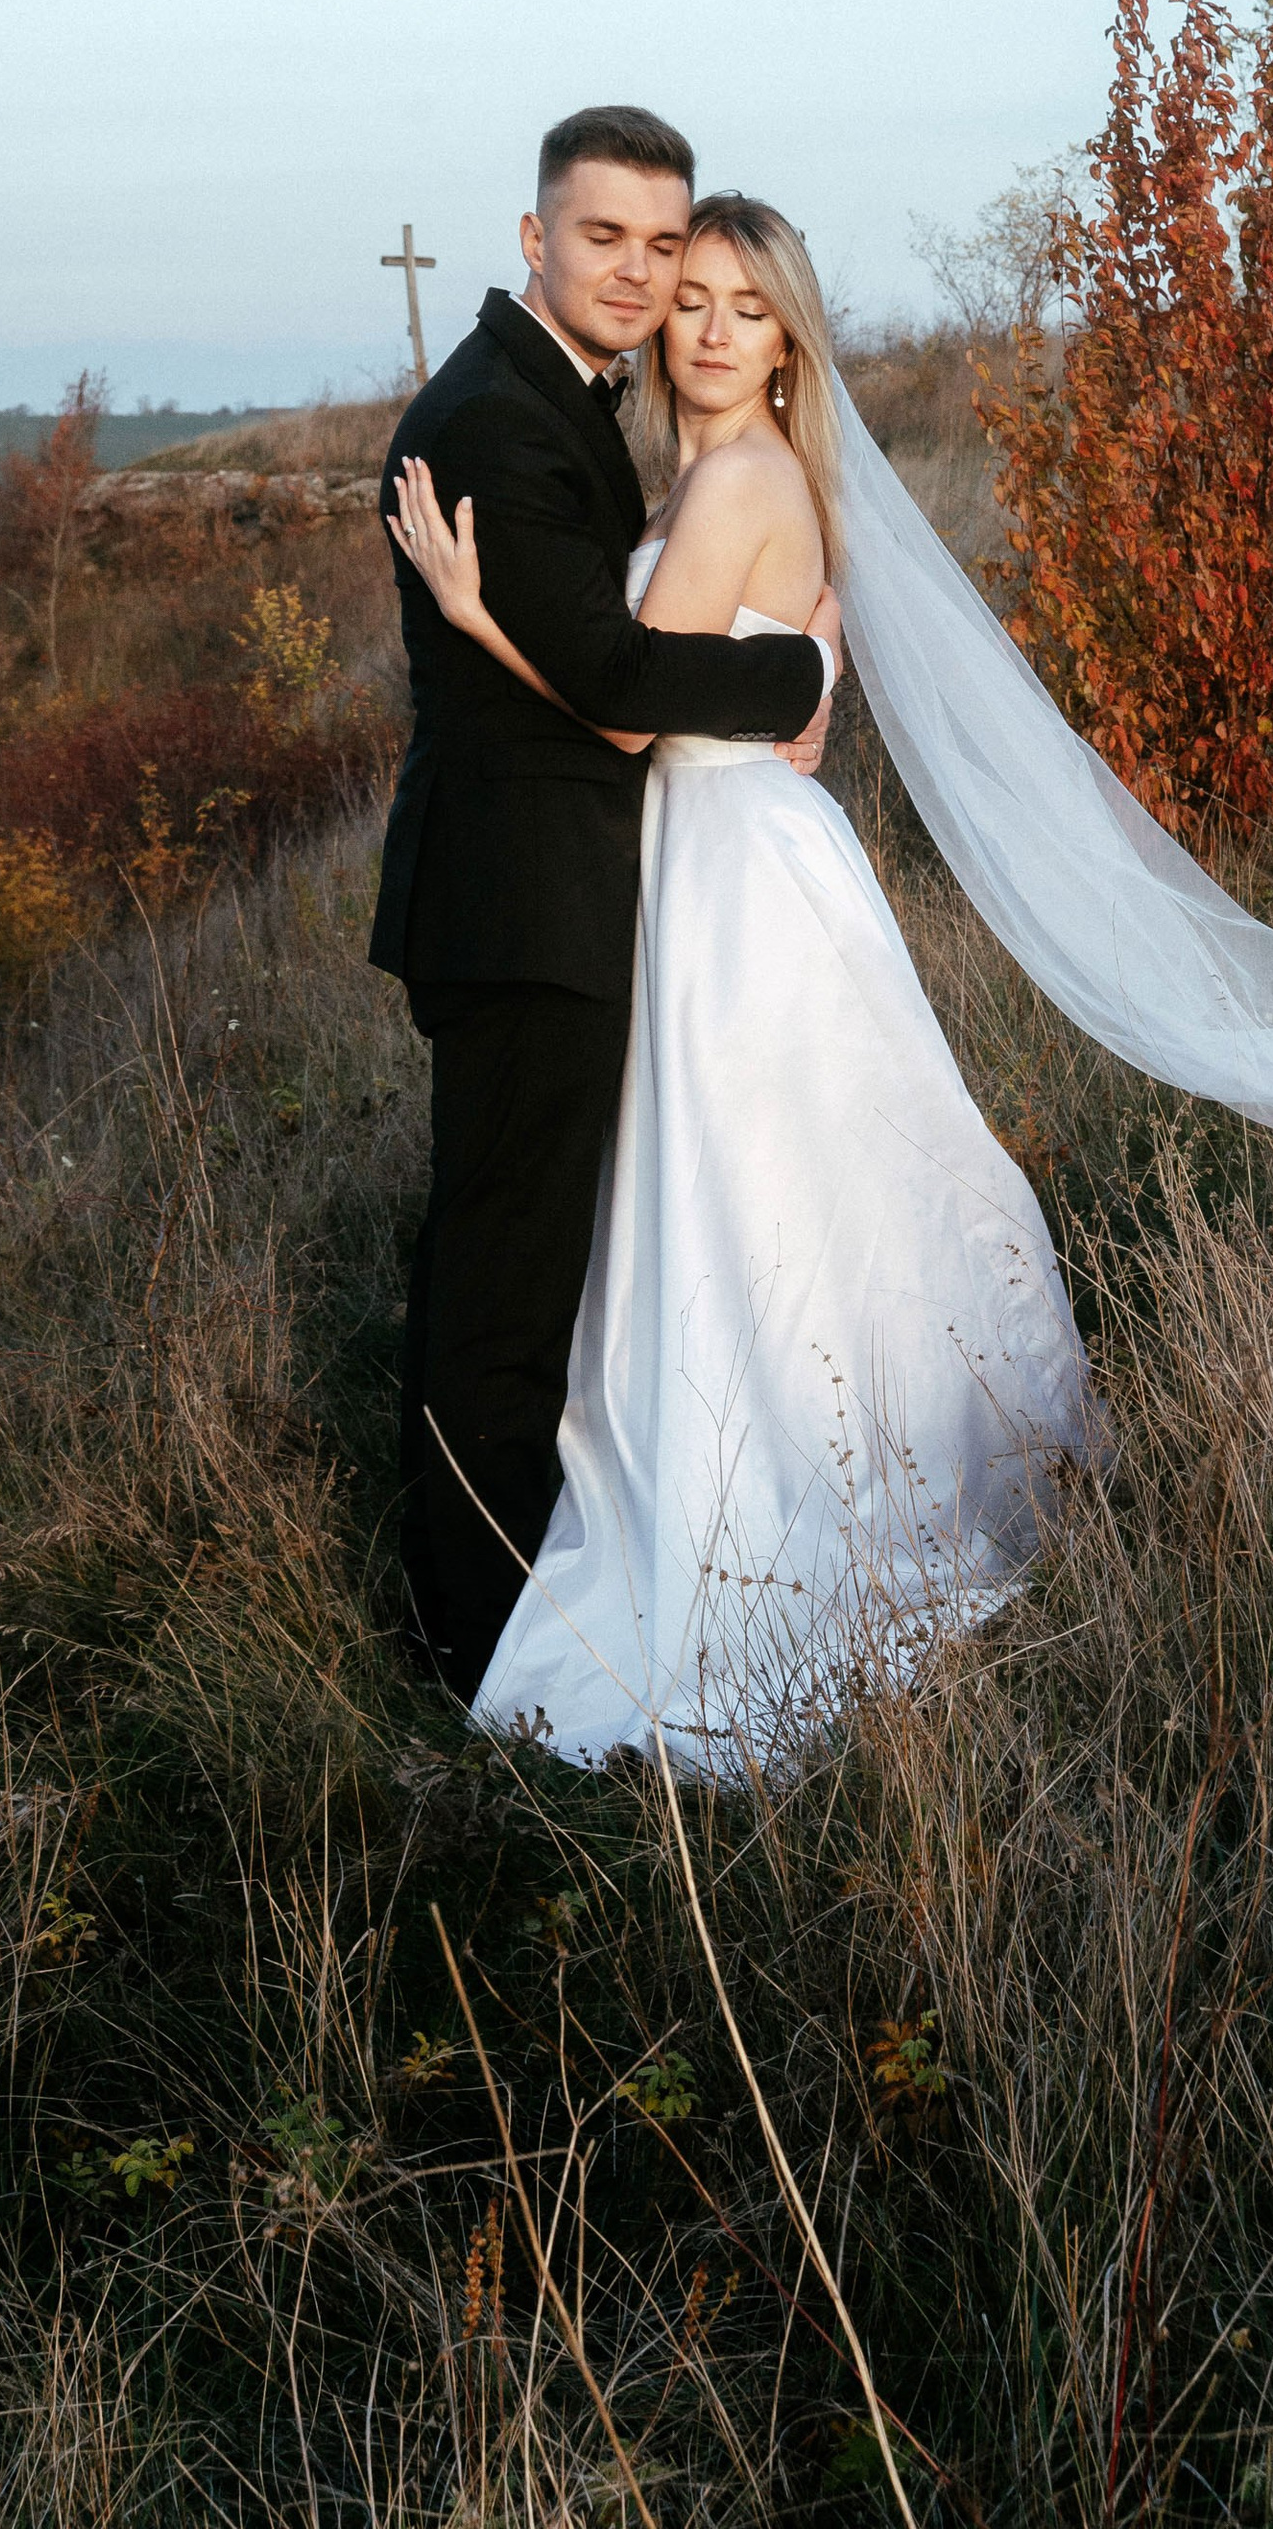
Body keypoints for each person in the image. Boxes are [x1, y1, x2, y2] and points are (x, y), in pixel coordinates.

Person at [388, 192, 1095, 1764]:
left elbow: (628, 708)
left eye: (741, 307)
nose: (703, 327)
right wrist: (805, 655)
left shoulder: (739, 482)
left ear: (789, 341)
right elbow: (710, 663)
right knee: (766, 1188)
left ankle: (788, 1483)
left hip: (725, 869)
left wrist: (472, 608)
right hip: (715, 853)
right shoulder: (708, 479)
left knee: (756, 1188)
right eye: (687, 297)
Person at [370, 112, 838, 1703]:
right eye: (610, 243)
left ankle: (493, 1594)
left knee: (543, 1257)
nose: (647, 283)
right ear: (532, 239)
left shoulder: (578, 410)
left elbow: (610, 677)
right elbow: (625, 688)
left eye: (670, 249)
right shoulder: (504, 419)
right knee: (505, 1280)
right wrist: (797, 668)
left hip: (590, 892)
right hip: (524, 902)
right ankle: (466, 1639)